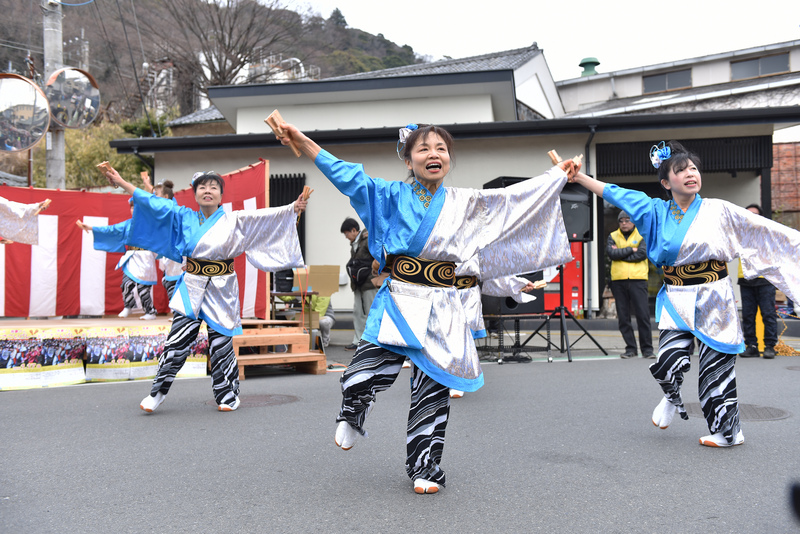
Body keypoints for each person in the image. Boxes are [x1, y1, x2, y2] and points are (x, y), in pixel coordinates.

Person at [276, 120, 574, 494]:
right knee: (361, 373)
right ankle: (354, 410)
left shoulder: (466, 202)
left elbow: (513, 201)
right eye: (424, 149)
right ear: (408, 159)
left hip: (445, 306)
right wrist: (303, 141)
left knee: (432, 393)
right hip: (401, 297)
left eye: (441, 149)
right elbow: (347, 175)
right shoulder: (387, 195)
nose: (434, 154)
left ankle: (425, 467)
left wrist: (553, 178)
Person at [569, 140, 800, 448]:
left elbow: (766, 232)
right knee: (668, 359)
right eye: (681, 170)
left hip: (714, 297)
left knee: (715, 372)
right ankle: (670, 395)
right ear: (666, 182)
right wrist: (579, 177)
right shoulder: (653, 210)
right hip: (676, 296)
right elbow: (614, 193)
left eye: (693, 168)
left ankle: (729, 432)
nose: (691, 174)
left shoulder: (719, 210)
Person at [101, 167, 307, 413]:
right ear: (195, 193)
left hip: (223, 288)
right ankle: (158, 392)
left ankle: (228, 394)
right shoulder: (183, 216)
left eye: (213, 187)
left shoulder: (235, 219)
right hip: (192, 284)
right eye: (202, 187)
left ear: (221, 195)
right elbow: (153, 203)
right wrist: (123, 182)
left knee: (221, 345)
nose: (208, 191)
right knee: (176, 342)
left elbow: (264, 217)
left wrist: (290, 210)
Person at [77, 200, 159, 320]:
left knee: (143, 288)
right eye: (131, 208)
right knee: (126, 284)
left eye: (136, 208)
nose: (133, 210)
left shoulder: (151, 225)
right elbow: (111, 230)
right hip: (132, 257)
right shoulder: (127, 224)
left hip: (146, 259)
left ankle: (150, 311)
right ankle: (128, 306)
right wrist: (91, 227)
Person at [606, 210, 654, 359]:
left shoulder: (641, 235)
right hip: (618, 280)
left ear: (633, 222)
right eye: (621, 221)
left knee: (643, 316)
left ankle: (647, 350)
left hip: (638, 280)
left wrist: (621, 254)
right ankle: (630, 349)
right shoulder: (613, 236)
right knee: (623, 317)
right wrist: (630, 250)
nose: (624, 223)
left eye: (627, 220)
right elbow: (611, 254)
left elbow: (641, 255)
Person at [737, 204, 778, 359]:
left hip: (764, 278)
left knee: (768, 314)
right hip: (745, 278)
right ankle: (751, 345)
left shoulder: (768, 232)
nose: (751, 216)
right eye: (748, 214)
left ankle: (769, 346)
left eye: (755, 214)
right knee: (748, 314)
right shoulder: (740, 234)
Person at [341, 217, 379, 350]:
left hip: (369, 283)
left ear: (353, 230)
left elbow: (377, 258)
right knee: (358, 312)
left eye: (346, 233)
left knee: (370, 312)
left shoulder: (367, 239)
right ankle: (358, 341)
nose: (346, 237)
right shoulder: (355, 244)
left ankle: (371, 342)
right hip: (358, 284)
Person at [152, 180, 185, 301]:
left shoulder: (175, 211)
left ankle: (180, 315)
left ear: (165, 197)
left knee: (175, 282)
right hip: (168, 255)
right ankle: (178, 314)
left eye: (156, 194)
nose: (154, 197)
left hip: (178, 254)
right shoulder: (163, 212)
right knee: (168, 282)